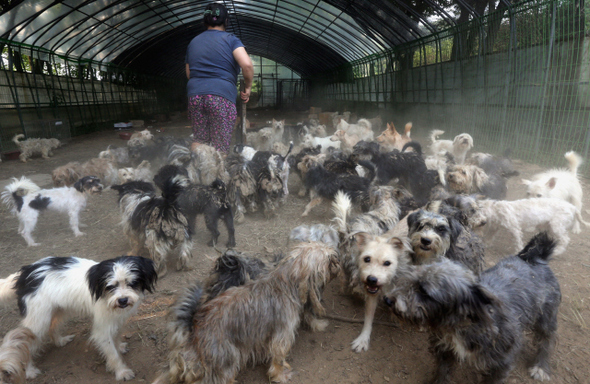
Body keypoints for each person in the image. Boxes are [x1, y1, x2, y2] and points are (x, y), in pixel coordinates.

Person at [185, 3, 254, 153]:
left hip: (195, 95)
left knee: (199, 139)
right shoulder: (231, 39)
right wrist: (247, 88)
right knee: (220, 145)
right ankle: (217, 175)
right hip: (220, 97)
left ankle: (196, 171)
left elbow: (189, 74)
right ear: (226, 21)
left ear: (204, 22)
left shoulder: (193, 42)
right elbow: (247, 65)